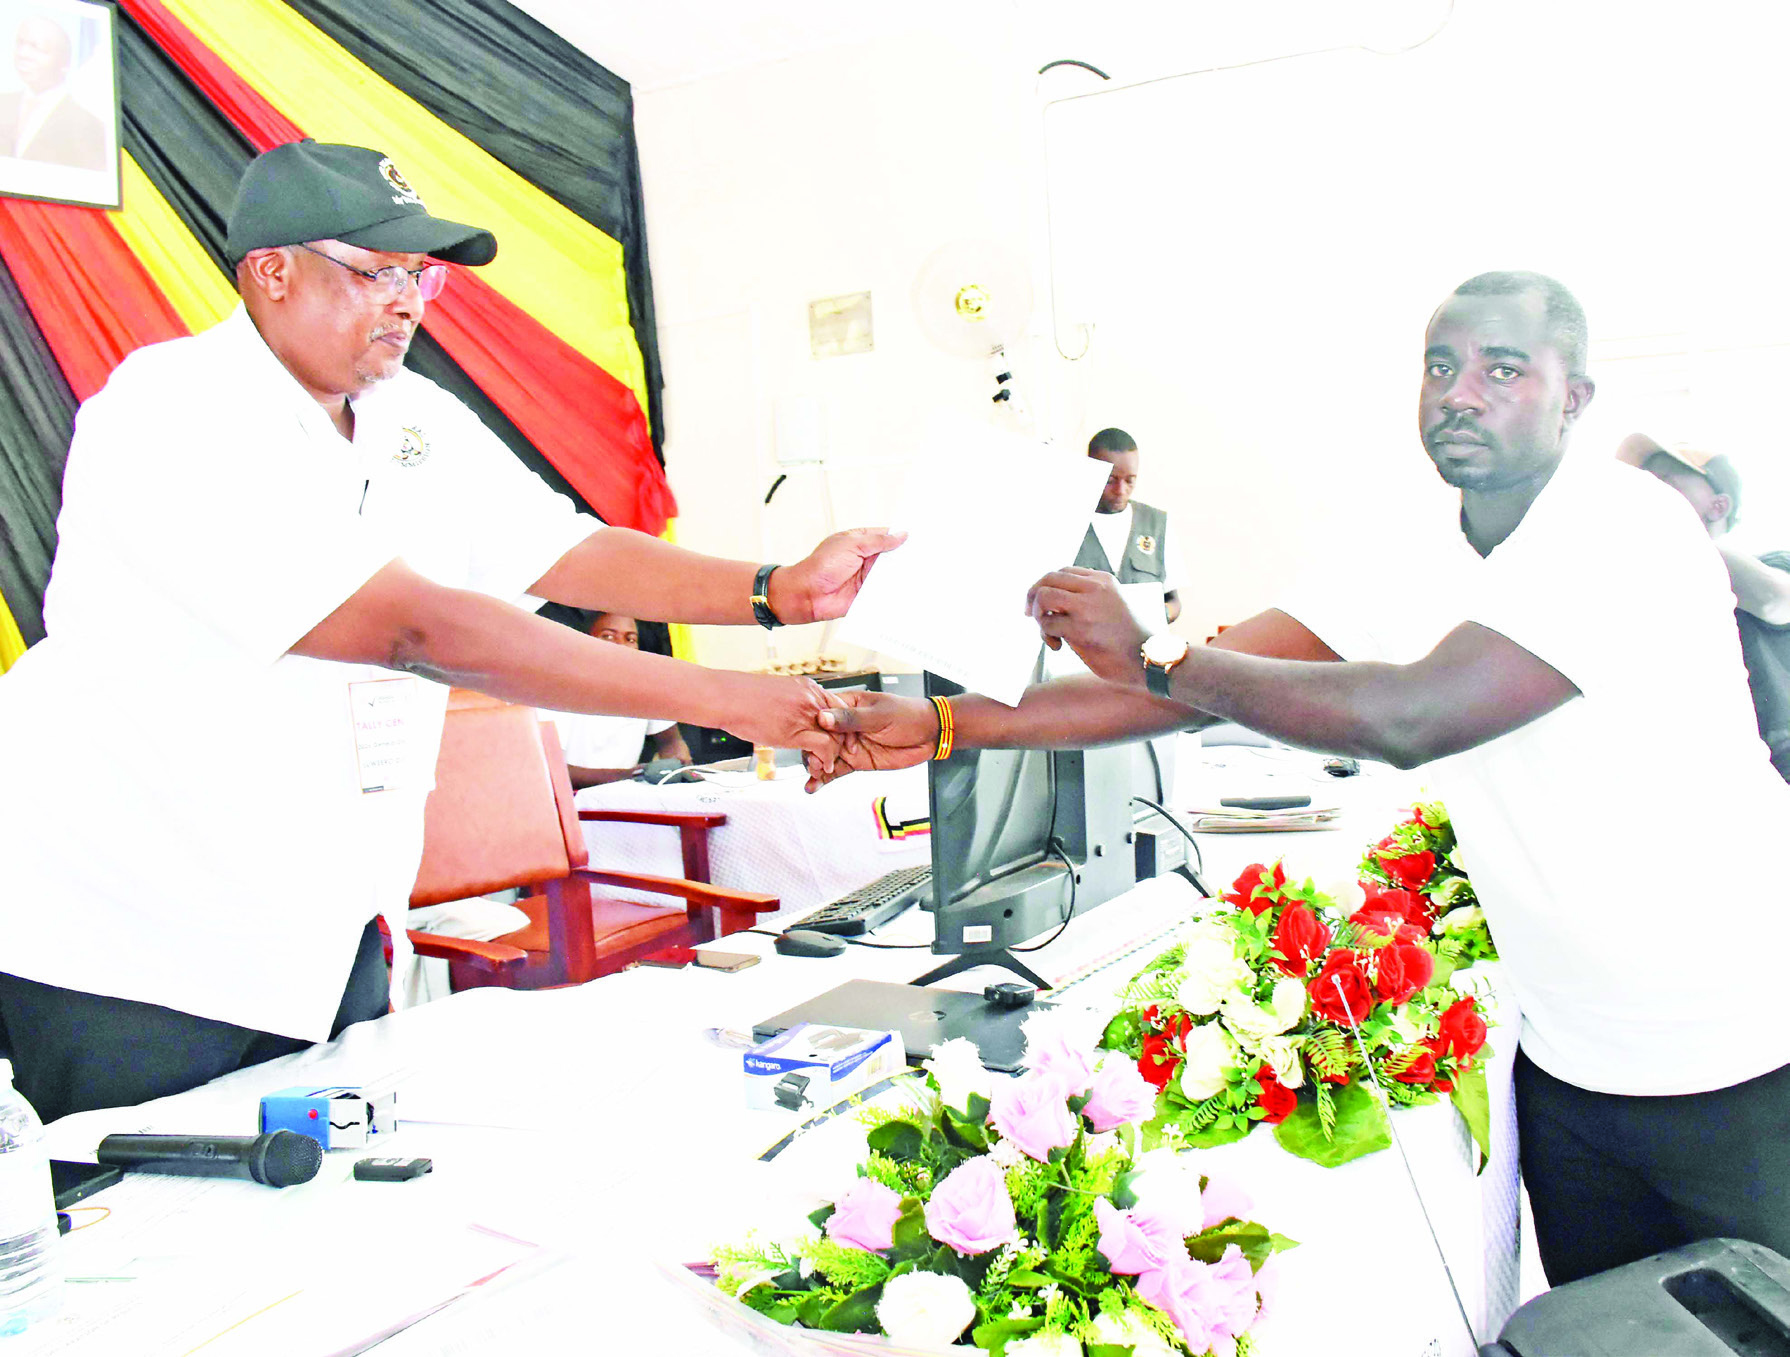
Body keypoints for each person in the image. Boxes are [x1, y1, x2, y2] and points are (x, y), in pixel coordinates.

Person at [810, 271, 1790, 1288]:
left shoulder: (1619, 523)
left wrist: (1157, 652)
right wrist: (939, 722)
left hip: (1741, 1047)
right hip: (1572, 1061)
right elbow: (1200, 689)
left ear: (1572, 398)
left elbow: (1411, 715)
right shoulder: (1407, 548)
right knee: (1605, 1332)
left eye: (1503, 370)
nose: (1460, 392)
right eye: (1440, 366)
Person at [0, 140, 900, 1123]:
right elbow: (410, 626)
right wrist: (724, 697)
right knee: (148, 1242)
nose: (408, 300)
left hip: (320, 925)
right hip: (135, 931)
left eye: (417, 274)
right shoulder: (170, 411)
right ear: (271, 273)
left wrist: (776, 591)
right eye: (375, 271)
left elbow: (561, 550)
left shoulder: (408, 415)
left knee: (317, 1222)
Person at [1616, 432, 1790, 780]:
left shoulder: (1775, 563)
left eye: (1664, 481)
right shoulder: (1645, 593)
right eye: (1643, 483)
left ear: (1718, 505)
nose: (1647, 491)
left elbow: (1774, 600)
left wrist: (1664, 527)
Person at [539, 612, 693, 787]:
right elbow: (549, 769)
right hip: (570, 803)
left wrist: (678, 765)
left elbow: (670, 740)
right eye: (609, 636)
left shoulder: (646, 687)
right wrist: (630, 776)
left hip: (622, 797)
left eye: (630, 639)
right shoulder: (557, 690)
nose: (621, 646)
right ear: (585, 641)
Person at [1078, 427, 1184, 624]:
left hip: (1139, 650)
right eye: (1110, 480)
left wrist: (1157, 616)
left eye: (1130, 481)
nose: (1121, 490)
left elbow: (1173, 601)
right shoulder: (1068, 521)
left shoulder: (1156, 524)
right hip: (1076, 650)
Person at [0, 11, 108, 171]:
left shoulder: (88, 125)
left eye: (37, 48)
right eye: (20, 43)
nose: (23, 54)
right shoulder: (4, 102)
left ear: (65, 62)